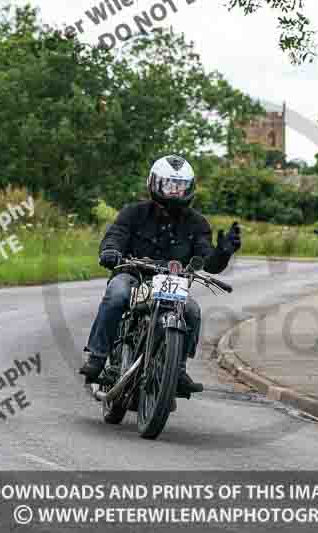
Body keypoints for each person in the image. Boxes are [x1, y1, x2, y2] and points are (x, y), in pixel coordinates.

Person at [79, 155, 241, 395]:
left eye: (181, 186)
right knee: (117, 293)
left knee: (192, 310)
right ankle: (98, 356)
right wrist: (111, 251)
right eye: (169, 185)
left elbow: (208, 261)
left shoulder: (198, 224)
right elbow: (116, 235)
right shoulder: (134, 213)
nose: (175, 192)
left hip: (170, 282)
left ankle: (178, 369)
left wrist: (223, 252)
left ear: (190, 188)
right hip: (134, 274)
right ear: (154, 184)